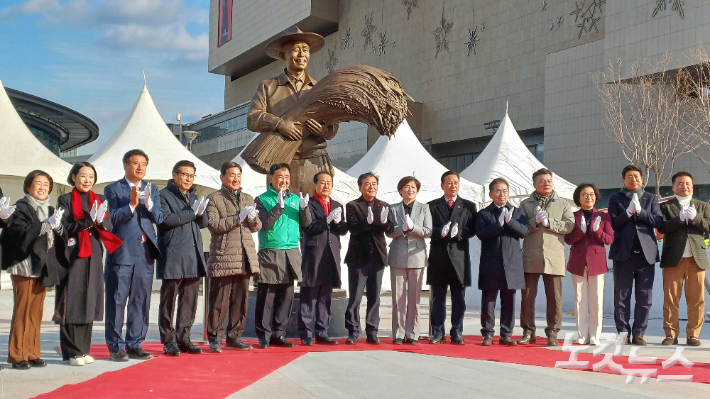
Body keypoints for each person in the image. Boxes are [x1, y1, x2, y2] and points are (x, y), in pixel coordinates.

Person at [247, 26, 337, 194]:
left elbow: (333, 127)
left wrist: (323, 130)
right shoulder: (268, 87)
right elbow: (252, 118)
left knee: (316, 214)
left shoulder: (321, 88)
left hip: (315, 161)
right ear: (283, 55)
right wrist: (279, 124)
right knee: (283, 212)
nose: (302, 54)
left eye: (305, 50)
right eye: (296, 50)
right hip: (282, 162)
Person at [55, 162, 121, 366]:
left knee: (89, 301)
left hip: (93, 253)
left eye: (91, 176)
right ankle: (72, 351)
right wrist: (88, 222)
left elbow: (108, 225)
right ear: (73, 177)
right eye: (83, 176)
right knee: (72, 302)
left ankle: (83, 350)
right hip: (72, 255)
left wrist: (100, 220)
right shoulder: (65, 199)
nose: (87, 180)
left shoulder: (99, 199)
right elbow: (64, 229)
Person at [104, 149, 164, 361]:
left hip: (145, 253)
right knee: (117, 300)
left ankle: (135, 343)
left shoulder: (152, 189)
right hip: (122, 253)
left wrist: (148, 204)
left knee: (141, 299)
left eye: (144, 164)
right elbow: (110, 219)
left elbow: (160, 217)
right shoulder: (113, 189)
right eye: (136, 163)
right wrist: (131, 205)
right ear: (125, 165)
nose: (140, 167)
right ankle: (115, 346)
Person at [1, 170, 64, 370]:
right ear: (28, 186)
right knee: (22, 310)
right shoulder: (21, 207)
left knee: (36, 312)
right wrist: (45, 226)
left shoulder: (51, 208)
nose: (42, 187)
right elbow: (19, 233)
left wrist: (59, 227)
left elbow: (58, 235)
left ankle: (32, 352)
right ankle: (17, 355)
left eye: (46, 184)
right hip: (25, 265)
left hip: (43, 265)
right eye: (38, 183)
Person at [205, 162, 261, 353]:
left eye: (238, 175)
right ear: (222, 177)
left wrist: (252, 218)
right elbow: (214, 225)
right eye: (231, 175)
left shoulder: (247, 197)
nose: (236, 179)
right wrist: (239, 217)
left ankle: (234, 337)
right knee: (219, 300)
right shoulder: (214, 198)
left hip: (245, 255)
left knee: (240, 299)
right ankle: (215, 338)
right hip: (224, 255)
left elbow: (257, 226)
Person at [157, 160, 210, 356]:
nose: (189, 179)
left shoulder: (193, 197)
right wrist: (191, 212)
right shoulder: (163, 195)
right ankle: (168, 340)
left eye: (192, 175)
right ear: (175, 175)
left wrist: (202, 212)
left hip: (193, 255)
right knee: (168, 301)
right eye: (185, 175)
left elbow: (202, 223)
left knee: (190, 300)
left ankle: (184, 337)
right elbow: (166, 220)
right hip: (173, 254)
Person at [519, 168, 575, 346]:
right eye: (542, 180)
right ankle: (528, 331)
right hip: (531, 255)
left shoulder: (563, 204)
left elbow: (569, 225)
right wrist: (533, 222)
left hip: (554, 255)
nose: (546, 183)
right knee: (527, 296)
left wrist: (549, 222)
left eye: (549, 180)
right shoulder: (525, 204)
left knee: (554, 297)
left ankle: (552, 332)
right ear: (534, 183)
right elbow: (519, 228)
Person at [608, 165, 663, 346]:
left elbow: (658, 221)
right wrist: (628, 213)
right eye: (630, 176)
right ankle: (623, 332)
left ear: (642, 179)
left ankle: (639, 333)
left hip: (646, 254)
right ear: (623, 179)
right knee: (621, 296)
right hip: (623, 253)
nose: (634, 179)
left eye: (637, 176)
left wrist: (641, 212)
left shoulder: (651, 198)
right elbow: (613, 224)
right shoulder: (615, 198)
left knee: (644, 296)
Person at [658, 171, 710, 346]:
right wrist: (679, 220)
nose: (684, 186)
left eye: (688, 183)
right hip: (674, 259)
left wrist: (695, 218)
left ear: (692, 186)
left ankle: (693, 334)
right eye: (680, 183)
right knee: (671, 299)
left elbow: (708, 226)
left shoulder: (703, 206)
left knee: (697, 300)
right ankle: (671, 334)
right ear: (673, 187)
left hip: (697, 259)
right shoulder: (666, 206)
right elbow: (662, 227)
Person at [475, 178, 529, 346]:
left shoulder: (517, 212)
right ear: (491, 194)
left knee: (509, 300)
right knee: (489, 300)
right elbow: (481, 234)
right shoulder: (484, 213)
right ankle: (488, 333)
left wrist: (509, 221)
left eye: (505, 191)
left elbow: (524, 231)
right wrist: (498, 225)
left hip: (512, 263)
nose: (502, 194)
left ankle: (506, 334)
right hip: (491, 263)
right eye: (498, 191)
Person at [254, 163, 302, 349]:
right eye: (280, 176)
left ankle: (279, 334)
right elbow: (264, 223)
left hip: (291, 251)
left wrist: (305, 210)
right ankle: (264, 335)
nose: (284, 180)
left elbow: (305, 224)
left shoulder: (296, 199)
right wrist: (278, 206)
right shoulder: (261, 199)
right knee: (267, 295)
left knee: (286, 296)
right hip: (271, 250)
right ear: (271, 179)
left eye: (287, 177)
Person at [297, 171, 348, 345]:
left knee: (326, 295)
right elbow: (308, 228)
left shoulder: (337, 204)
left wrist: (340, 222)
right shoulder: (308, 204)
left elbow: (341, 231)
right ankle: (305, 333)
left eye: (329, 183)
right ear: (315, 185)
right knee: (309, 293)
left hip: (331, 254)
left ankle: (322, 331)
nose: (326, 186)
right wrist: (326, 220)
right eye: (323, 183)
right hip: (313, 254)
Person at [427, 171, 477, 345]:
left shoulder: (468, 206)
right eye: (449, 183)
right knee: (438, 299)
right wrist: (438, 233)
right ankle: (438, 332)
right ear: (442, 185)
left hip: (459, 258)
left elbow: (473, 229)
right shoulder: (432, 206)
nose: (453, 185)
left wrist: (460, 233)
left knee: (459, 299)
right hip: (438, 258)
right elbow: (427, 228)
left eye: (456, 182)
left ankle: (456, 331)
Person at [564, 183, 613, 346]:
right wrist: (581, 231)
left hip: (597, 261)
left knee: (597, 299)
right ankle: (582, 333)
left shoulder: (604, 216)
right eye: (584, 194)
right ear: (578, 198)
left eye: (591, 194)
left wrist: (597, 230)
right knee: (579, 299)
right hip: (577, 261)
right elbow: (568, 239)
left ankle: (595, 334)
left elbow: (609, 239)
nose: (588, 197)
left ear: (596, 197)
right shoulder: (573, 215)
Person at [385, 176, 432, 345]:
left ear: (417, 190)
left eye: (413, 187)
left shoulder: (424, 208)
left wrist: (413, 228)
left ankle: (413, 333)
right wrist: (401, 230)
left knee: (415, 298)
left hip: (417, 255)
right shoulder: (393, 208)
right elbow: (388, 232)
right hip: (397, 255)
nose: (410, 190)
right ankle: (398, 333)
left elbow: (428, 231)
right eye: (406, 187)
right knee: (398, 298)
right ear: (400, 190)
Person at [344, 172, 390, 345]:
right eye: (367, 183)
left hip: (377, 257)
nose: (371, 186)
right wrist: (368, 223)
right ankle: (353, 330)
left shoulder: (383, 205)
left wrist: (383, 222)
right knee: (355, 296)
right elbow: (353, 229)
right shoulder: (353, 205)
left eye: (374, 183)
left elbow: (388, 227)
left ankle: (372, 331)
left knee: (374, 296)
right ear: (360, 186)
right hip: (358, 257)